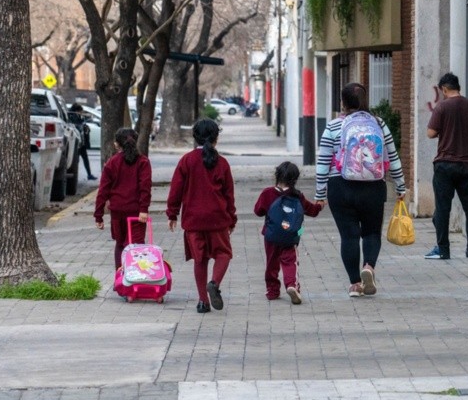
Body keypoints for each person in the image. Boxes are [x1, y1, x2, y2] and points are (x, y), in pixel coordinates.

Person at [315, 83, 406, 298]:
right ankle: (369, 267)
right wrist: (401, 186)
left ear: (343, 103)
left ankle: (355, 284)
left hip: (340, 187)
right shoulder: (379, 124)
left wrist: (320, 194)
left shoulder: (333, 126)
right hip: (373, 187)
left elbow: (323, 161)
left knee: (349, 237)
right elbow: (393, 157)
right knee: (372, 233)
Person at [166, 118, 237, 313]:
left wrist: (172, 213)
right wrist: (232, 217)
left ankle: (203, 301)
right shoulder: (222, 163)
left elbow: (176, 190)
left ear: (194, 138)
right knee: (223, 254)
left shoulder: (186, 161)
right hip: (217, 219)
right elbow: (229, 194)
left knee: (200, 260)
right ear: (216, 138)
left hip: (193, 221)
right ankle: (214, 283)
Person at [424, 73, 468, 260]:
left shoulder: (442, 107)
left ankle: (443, 249)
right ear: (457, 87)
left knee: (443, 208)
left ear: (444, 89)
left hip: (445, 165)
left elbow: (430, 133)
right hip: (467, 165)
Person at [254, 161, 323, 304]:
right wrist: (319, 205)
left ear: (277, 175)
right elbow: (312, 211)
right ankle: (292, 285)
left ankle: (272, 291)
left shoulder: (267, 193)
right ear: (295, 179)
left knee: (271, 263)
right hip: (291, 236)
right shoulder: (297, 196)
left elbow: (258, 211)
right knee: (290, 261)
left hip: (271, 236)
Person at [94, 128, 152, 271]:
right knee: (135, 245)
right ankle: (134, 278)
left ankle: (120, 279)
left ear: (116, 144)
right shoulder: (143, 162)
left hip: (117, 212)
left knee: (120, 244)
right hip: (137, 212)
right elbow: (145, 187)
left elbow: (103, 190)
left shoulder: (112, 163)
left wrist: (98, 215)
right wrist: (144, 209)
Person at [70, 103, 97, 180]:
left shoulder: (76, 117)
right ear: (77, 111)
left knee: (84, 158)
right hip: (78, 142)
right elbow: (77, 126)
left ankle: (88, 174)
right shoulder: (73, 117)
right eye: (80, 111)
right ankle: (86, 175)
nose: (81, 113)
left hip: (80, 142)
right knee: (80, 159)